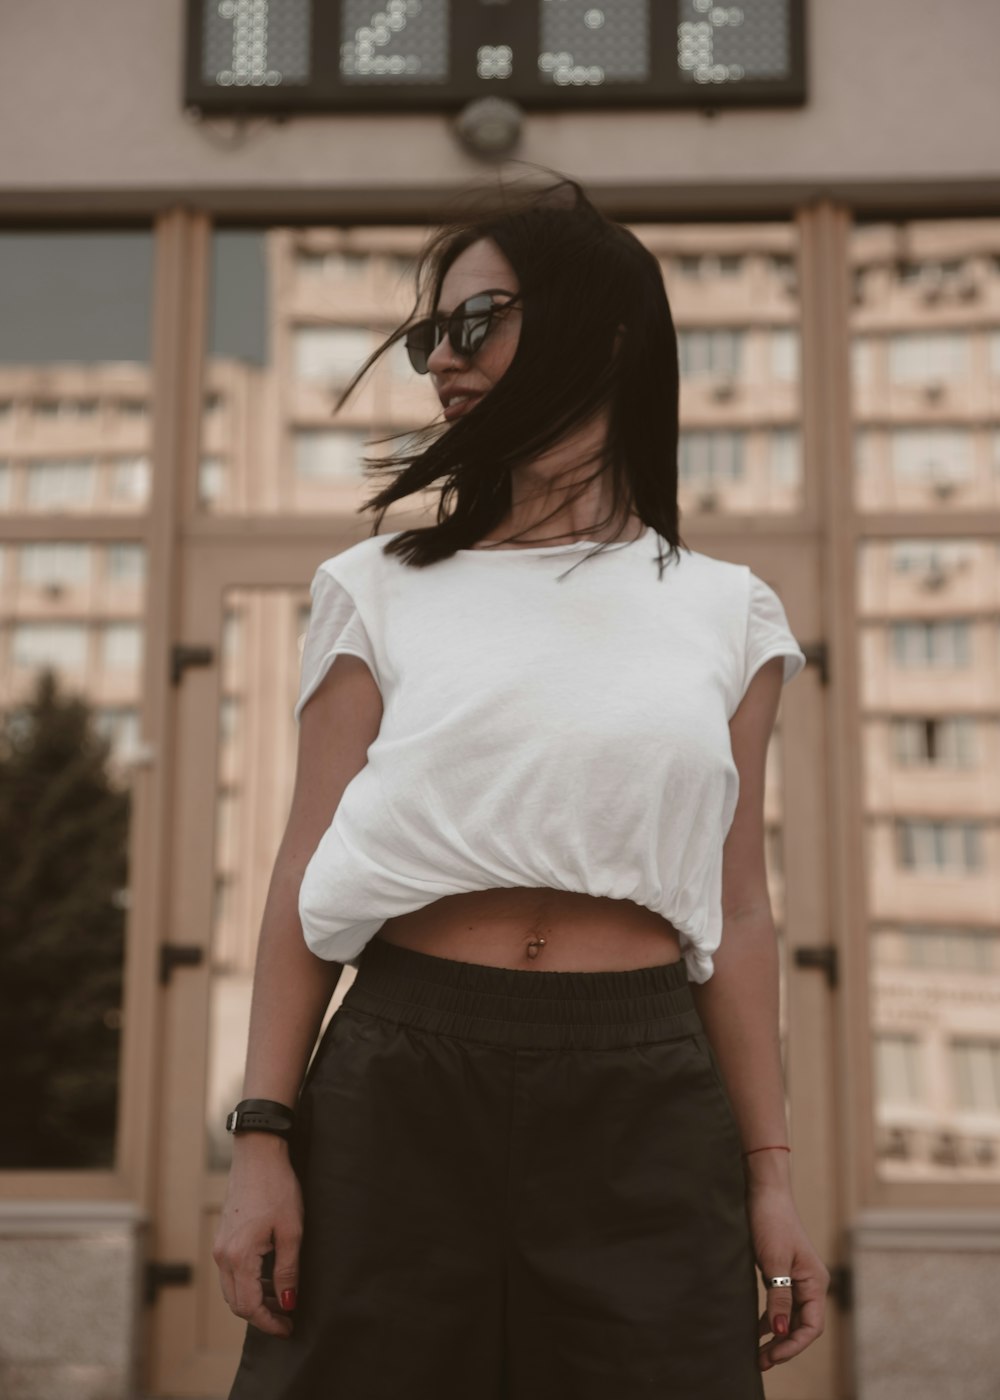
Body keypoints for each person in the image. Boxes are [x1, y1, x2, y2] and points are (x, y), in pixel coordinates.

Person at [213, 172, 830, 1398]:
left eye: (476, 321)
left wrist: (769, 1171)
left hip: (643, 1097)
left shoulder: (726, 613)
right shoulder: (376, 585)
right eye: (428, 334)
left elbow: (738, 908)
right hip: (398, 1078)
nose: (442, 358)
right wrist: (262, 1136)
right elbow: (303, 865)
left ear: (601, 333)